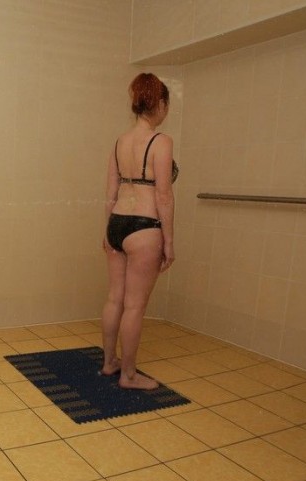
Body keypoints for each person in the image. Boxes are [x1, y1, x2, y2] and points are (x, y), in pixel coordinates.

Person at [100, 73, 178, 390]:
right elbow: (164, 195)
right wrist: (169, 241)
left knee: (115, 298)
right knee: (135, 306)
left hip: (117, 222)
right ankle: (129, 375)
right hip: (145, 227)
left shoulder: (120, 141)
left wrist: (106, 230)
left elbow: (110, 191)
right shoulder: (161, 142)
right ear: (159, 104)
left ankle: (109, 362)